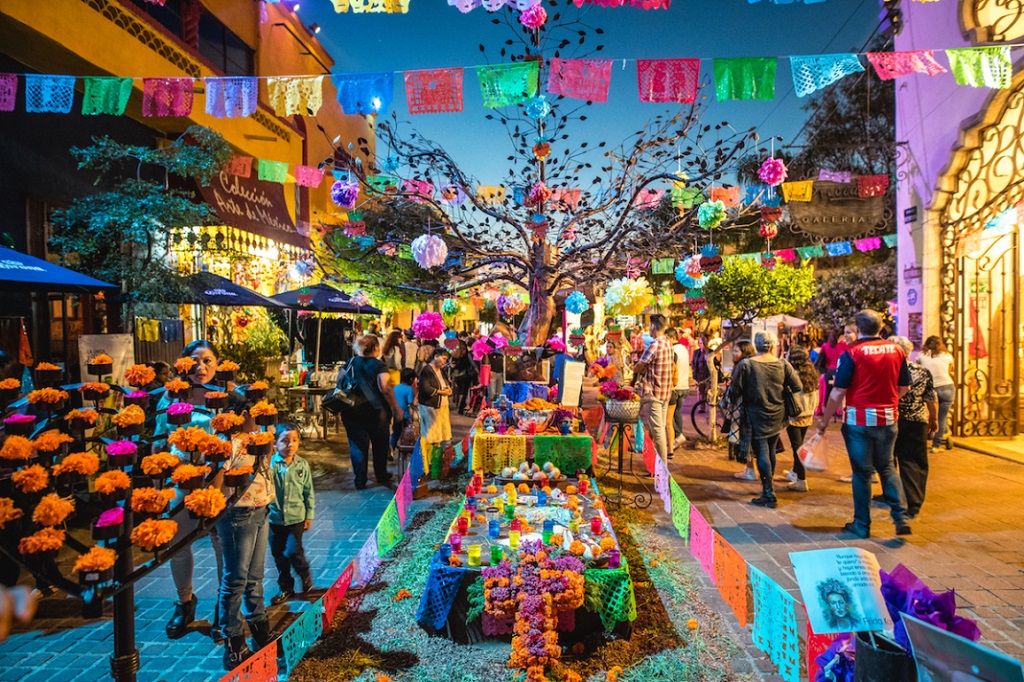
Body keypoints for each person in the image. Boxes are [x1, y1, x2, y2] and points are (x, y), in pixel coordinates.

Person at [816, 310, 913, 539]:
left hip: (858, 420)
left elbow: (838, 391)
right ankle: (901, 516)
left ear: (858, 329)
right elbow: (904, 387)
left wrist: (825, 420)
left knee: (862, 473)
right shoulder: (897, 351)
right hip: (888, 418)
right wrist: (888, 402)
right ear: (881, 328)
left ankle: (862, 523)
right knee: (887, 467)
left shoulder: (852, 354)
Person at [156, 340, 228, 643]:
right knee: (178, 544)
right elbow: (160, 440)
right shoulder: (171, 395)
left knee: (222, 543)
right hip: (179, 479)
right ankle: (184, 602)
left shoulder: (225, 397)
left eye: (208, 361)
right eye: (195, 361)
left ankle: (224, 605)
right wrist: (159, 483)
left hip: (215, 480)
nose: (202, 368)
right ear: (183, 364)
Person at [217, 421, 275, 669]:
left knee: (255, 577)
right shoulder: (227, 444)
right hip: (238, 515)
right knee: (236, 579)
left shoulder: (258, 438)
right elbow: (215, 482)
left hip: (261, 509)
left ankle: (261, 631)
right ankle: (233, 642)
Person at [730, 331, 802, 508]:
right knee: (769, 450)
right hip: (778, 414)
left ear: (756, 345)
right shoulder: (783, 364)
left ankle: (769, 492)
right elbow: (797, 386)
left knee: (762, 451)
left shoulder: (746, 365)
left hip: (755, 414)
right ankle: (768, 489)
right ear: (773, 345)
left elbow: (735, 390)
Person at [339, 334, 403, 489]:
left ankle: (360, 480)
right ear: (375, 348)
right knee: (380, 444)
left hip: (352, 411)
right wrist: (396, 407)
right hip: (376, 412)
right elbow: (385, 387)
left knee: (357, 445)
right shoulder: (379, 365)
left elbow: (340, 382)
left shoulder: (350, 362)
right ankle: (381, 474)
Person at [888, 336, 937, 520]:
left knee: (889, 460)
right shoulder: (922, 371)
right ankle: (914, 501)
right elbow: (931, 397)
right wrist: (933, 419)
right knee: (914, 461)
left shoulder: (889, 370)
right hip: (917, 421)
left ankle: (894, 496)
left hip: (893, 419)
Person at [268, 423, 315, 606]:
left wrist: (309, 515)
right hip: (275, 518)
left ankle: (304, 574)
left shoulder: (302, 465)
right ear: (275, 443)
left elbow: (308, 492)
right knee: (278, 554)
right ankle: (285, 587)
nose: (290, 445)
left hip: (296, 517)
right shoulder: (271, 465)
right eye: (285, 441)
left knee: (293, 551)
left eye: (294, 440)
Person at [633, 314, 673, 461]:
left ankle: (662, 469)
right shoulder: (668, 343)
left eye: (649, 326)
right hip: (665, 393)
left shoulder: (655, 345)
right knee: (659, 429)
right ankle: (657, 465)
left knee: (658, 432)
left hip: (654, 393)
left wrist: (636, 365)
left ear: (653, 326)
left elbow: (639, 366)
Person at [783, 346, 820, 493]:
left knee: (797, 447)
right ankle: (795, 472)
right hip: (808, 413)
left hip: (795, 413)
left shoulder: (792, 374)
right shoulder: (811, 372)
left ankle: (801, 480)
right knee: (799, 443)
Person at [917, 335, 954, 450]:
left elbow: (919, 370)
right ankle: (936, 445)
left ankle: (926, 440)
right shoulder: (947, 355)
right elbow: (950, 370)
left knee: (929, 415)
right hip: (947, 386)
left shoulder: (921, 355)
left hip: (930, 389)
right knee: (942, 417)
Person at [729, 341, 757, 481]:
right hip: (751, 408)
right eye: (733, 351)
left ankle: (750, 470)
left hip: (743, 408)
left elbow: (736, 389)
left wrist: (727, 400)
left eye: (736, 351)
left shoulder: (743, 366)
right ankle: (749, 468)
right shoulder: (751, 365)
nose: (733, 354)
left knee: (746, 439)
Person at [418, 348, 454, 448]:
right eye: (443, 359)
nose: (445, 362)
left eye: (446, 360)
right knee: (430, 437)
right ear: (435, 357)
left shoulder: (442, 371)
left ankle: (436, 458)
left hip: (442, 407)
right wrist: (442, 392)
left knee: (439, 437)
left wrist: (448, 389)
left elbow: (446, 383)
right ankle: (428, 460)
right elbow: (426, 388)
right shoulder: (426, 370)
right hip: (431, 408)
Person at [666, 327, 690, 453]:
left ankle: (678, 435)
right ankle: (678, 436)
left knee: (669, 417)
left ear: (671, 338)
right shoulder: (684, 349)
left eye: (666, 338)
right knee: (677, 413)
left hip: (676, 387)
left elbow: (672, 369)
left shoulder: (673, 350)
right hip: (684, 385)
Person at [450, 340, 478, 415]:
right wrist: (478, 372)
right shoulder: (467, 354)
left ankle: (458, 405)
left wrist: (450, 375)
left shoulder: (454, 354)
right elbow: (472, 364)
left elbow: (451, 365)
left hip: (457, 375)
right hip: (465, 375)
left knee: (459, 391)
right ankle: (460, 408)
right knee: (464, 392)